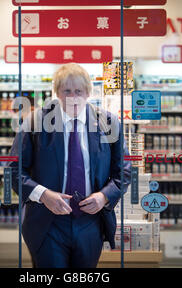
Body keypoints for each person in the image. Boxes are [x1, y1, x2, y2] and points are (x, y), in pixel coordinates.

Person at [9, 63, 131, 268]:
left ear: (88, 93)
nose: (73, 97)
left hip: (91, 222)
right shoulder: (35, 122)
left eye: (79, 91)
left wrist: (103, 196)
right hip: (48, 223)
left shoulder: (108, 123)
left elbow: (125, 170)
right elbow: (13, 170)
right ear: (57, 92)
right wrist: (43, 194)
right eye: (67, 91)